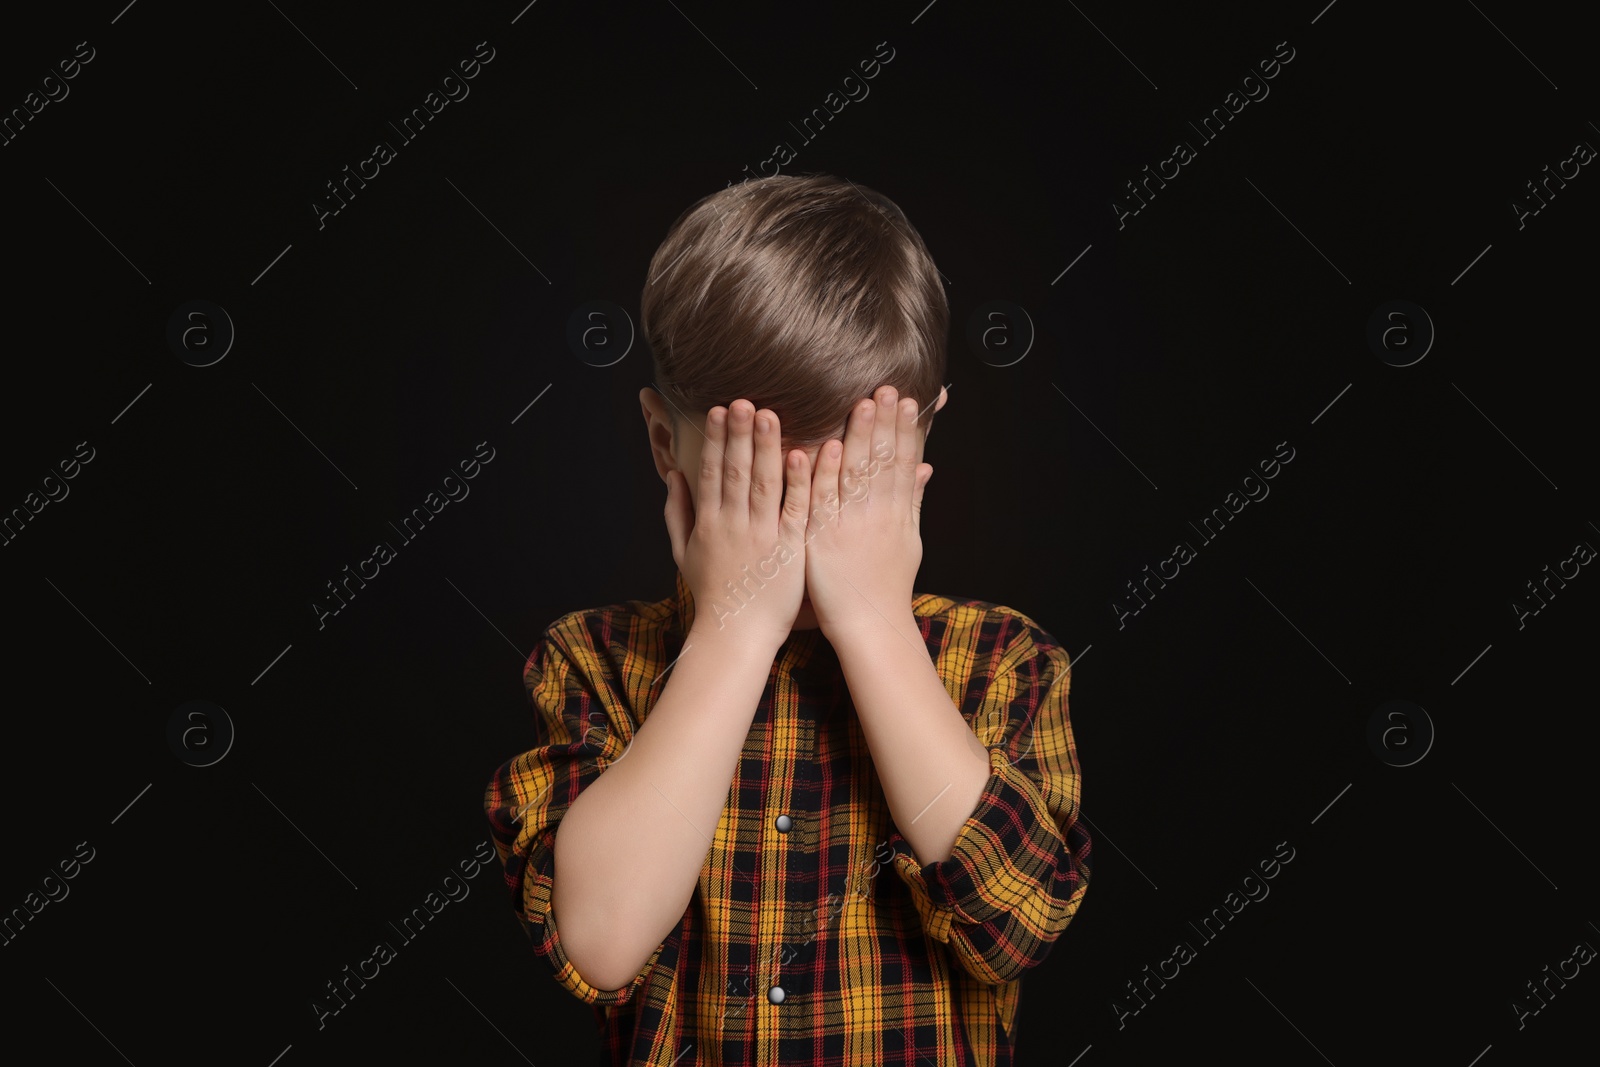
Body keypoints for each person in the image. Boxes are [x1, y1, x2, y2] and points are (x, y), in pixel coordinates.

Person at [483, 173, 1091, 1066]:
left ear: (924, 439)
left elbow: (1021, 921)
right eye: (765, 486)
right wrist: (733, 627)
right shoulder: (593, 662)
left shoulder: (1002, 659)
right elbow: (600, 942)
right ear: (665, 445)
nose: (805, 533)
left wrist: (876, 623)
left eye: (848, 486)